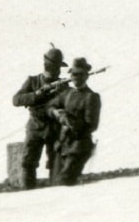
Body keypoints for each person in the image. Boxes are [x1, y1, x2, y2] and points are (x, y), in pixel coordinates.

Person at [10, 47, 68, 189]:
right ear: (48, 65)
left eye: (58, 66)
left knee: (56, 163)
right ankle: (27, 196)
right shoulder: (32, 81)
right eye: (55, 66)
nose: (58, 70)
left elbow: (68, 105)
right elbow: (16, 100)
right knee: (28, 162)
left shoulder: (63, 84)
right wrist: (36, 95)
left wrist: (62, 94)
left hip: (54, 129)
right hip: (35, 128)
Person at [51, 58, 102, 186]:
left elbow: (91, 125)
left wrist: (69, 120)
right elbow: (51, 106)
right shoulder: (67, 94)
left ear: (86, 76)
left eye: (80, 74)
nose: (76, 77)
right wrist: (57, 114)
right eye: (73, 74)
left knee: (65, 182)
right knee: (54, 184)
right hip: (63, 145)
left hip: (79, 146)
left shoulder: (91, 97)